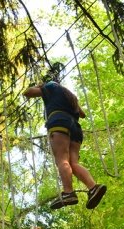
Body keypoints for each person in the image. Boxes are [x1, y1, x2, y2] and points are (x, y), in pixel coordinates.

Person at [23, 80, 106, 210]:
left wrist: (41, 86)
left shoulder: (50, 87)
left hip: (59, 121)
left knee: (62, 159)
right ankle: (93, 187)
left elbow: (28, 92)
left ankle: (68, 192)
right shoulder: (70, 95)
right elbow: (82, 114)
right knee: (73, 163)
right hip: (75, 127)